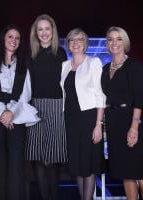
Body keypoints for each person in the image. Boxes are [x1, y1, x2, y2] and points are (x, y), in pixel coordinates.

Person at [0, 24, 40, 200]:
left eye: (17, 38)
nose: (14, 41)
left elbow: (26, 93)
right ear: (3, 39)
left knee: (16, 165)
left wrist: (11, 112)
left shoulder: (24, 63)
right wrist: (2, 113)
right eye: (10, 37)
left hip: (17, 117)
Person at [101, 26, 143, 200]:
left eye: (118, 39)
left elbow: (139, 99)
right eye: (110, 39)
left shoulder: (133, 65)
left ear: (125, 42)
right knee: (126, 173)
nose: (114, 43)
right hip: (113, 123)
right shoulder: (104, 69)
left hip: (129, 121)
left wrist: (134, 127)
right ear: (107, 44)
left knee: (140, 173)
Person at [25, 14, 68, 200]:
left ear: (53, 31)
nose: (44, 33)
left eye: (47, 29)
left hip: (57, 108)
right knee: (39, 159)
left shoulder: (61, 53)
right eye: (40, 29)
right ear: (36, 32)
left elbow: (67, 84)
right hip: (35, 108)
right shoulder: (30, 55)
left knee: (53, 159)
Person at [60, 28, 106, 200]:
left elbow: (100, 94)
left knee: (88, 165)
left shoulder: (93, 62)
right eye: (72, 40)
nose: (76, 42)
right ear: (68, 45)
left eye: (80, 39)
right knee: (77, 166)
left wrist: (98, 124)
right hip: (70, 120)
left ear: (85, 43)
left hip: (88, 119)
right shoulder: (64, 66)